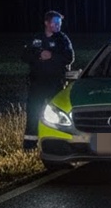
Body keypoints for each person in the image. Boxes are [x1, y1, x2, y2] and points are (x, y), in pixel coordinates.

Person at [20, 10, 75, 150]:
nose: (58, 26)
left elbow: (69, 57)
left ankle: (57, 144)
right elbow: (24, 55)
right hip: (37, 83)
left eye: (60, 23)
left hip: (55, 84)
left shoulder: (62, 39)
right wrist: (39, 55)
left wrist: (52, 56)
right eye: (55, 23)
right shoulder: (36, 38)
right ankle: (29, 145)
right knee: (33, 113)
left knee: (57, 115)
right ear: (46, 23)